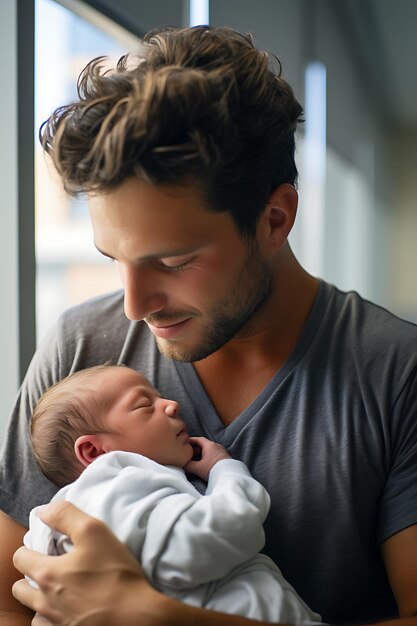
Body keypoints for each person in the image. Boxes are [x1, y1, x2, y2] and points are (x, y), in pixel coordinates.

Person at [1, 23, 417, 626]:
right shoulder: (80, 349)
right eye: (114, 260)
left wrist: (159, 618)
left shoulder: (396, 372)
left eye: (173, 262)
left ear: (275, 219)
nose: (134, 307)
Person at [25, 363, 321, 625]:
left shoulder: (81, 511)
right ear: (94, 451)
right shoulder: (116, 485)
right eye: (144, 405)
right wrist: (226, 471)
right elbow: (212, 538)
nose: (172, 404)